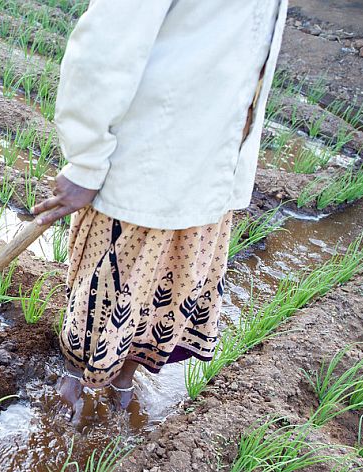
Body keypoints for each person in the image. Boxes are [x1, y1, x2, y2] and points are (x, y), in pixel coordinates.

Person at [32, 0, 288, 409]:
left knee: (166, 299)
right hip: (147, 169)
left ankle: (122, 384)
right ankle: (72, 382)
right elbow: (105, 46)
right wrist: (85, 160)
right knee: (106, 296)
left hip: (214, 175)